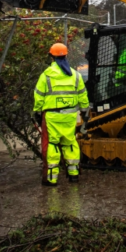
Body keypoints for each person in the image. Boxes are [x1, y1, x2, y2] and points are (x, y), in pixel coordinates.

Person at [33, 43, 89, 186]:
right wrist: (84, 111)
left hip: (52, 116)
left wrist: (37, 112)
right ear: (65, 56)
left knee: (53, 144)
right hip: (70, 115)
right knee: (70, 142)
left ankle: (52, 179)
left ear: (51, 57)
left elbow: (39, 96)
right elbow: (83, 95)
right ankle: (73, 174)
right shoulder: (75, 75)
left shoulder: (46, 75)